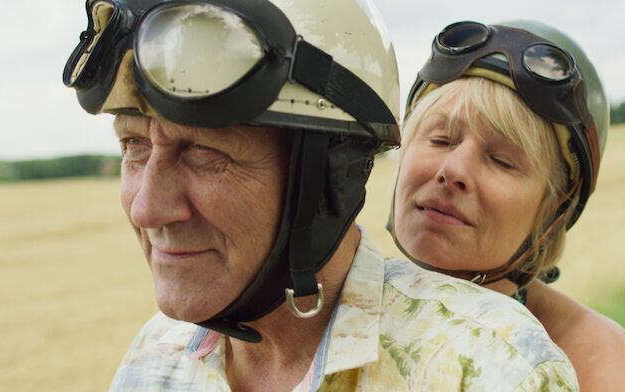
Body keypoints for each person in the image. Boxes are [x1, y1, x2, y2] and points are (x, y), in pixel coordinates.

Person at [64, 2, 579, 391]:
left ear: (333, 173)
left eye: (204, 153)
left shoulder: (490, 366)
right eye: (134, 146)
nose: (146, 208)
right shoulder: (153, 362)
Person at [388, 19, 625, 391]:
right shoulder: (319, 307)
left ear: (554, 207)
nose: (453, 170)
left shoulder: (589, 358)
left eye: (502, 160)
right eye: (440, 139)